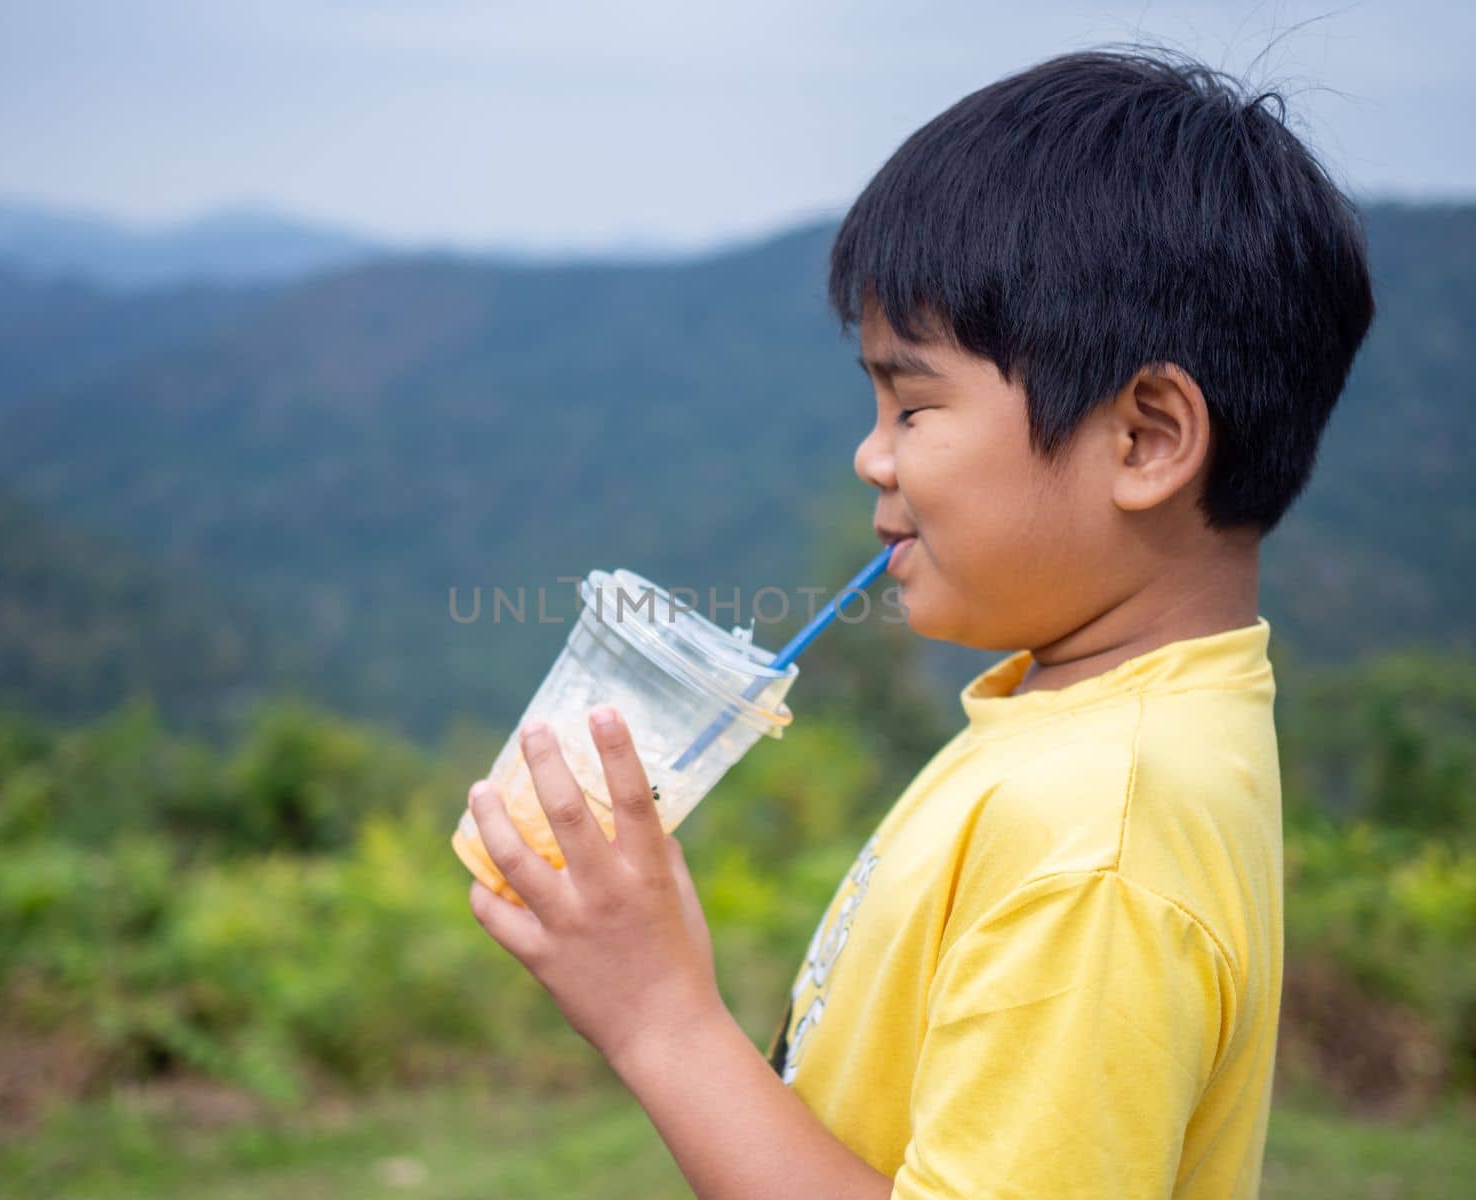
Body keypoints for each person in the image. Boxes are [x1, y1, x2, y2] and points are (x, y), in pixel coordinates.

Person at [463, 43, 1375, 1199]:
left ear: (1143, 439)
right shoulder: (1072, 731)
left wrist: (661, 1020)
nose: (870, 455)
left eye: (913, 402)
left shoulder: (1098, 840)